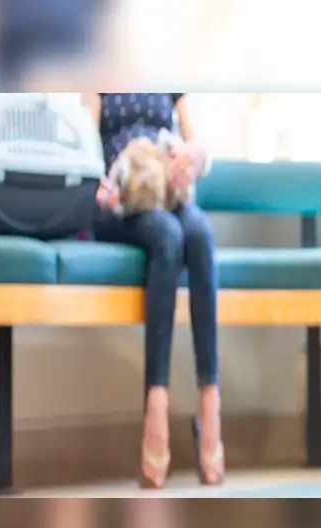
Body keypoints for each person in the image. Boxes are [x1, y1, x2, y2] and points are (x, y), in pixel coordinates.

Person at [84, 93, 224, 489]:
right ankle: (156, 405)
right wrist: (103, 182)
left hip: (166, 191)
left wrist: (193, 157)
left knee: (198, 235)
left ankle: (209, 402)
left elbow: (197, 144)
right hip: (122, 197)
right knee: (167, 236)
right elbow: (83, 145)